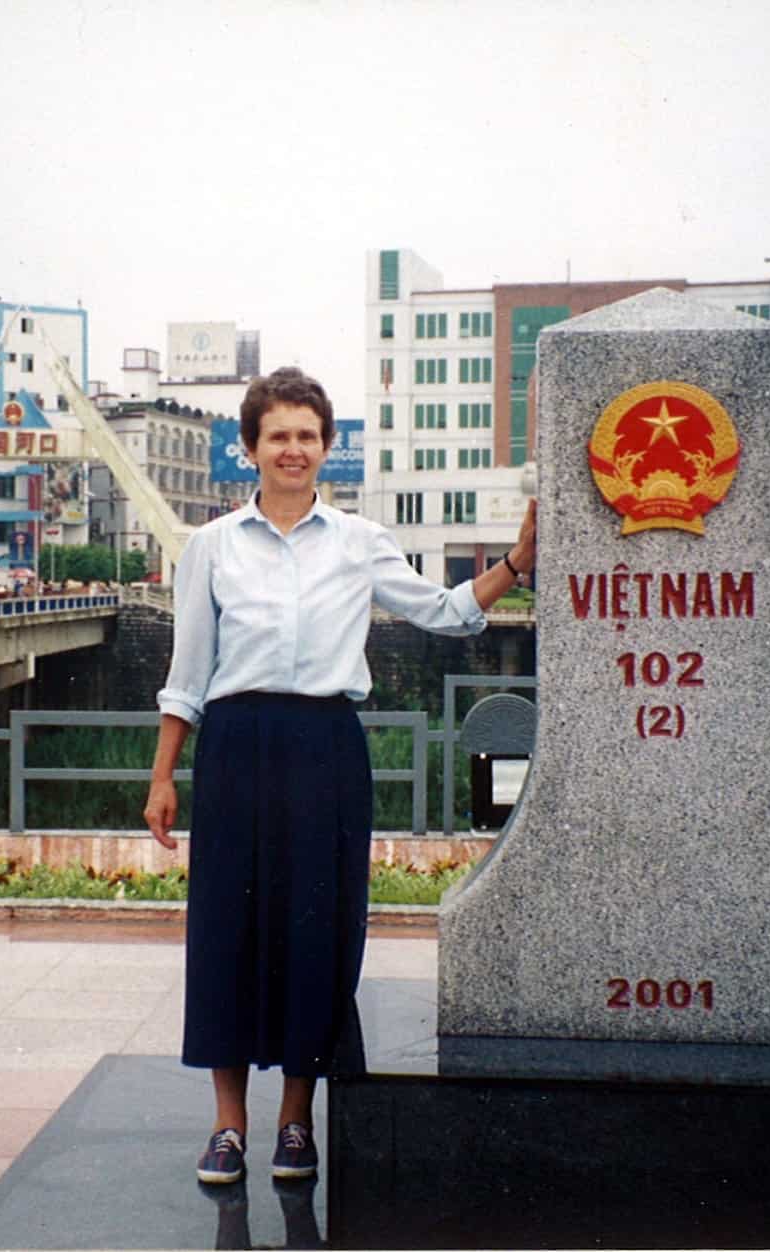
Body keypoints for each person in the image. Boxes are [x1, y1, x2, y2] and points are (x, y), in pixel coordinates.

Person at [144, 367, 536, 1186]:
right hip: (238, 746)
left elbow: (438, 611)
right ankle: (228, 1126)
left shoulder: (359, 541)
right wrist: (163, 777)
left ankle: (295, 1123)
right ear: (250, 448)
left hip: (326, 749)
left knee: (314, 933)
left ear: (326, 447)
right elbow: (187, 673)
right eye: (277, 435)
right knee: (228, 931)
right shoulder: (211, 547)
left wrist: (514, 566)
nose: (293, 449)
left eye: (307, 435)